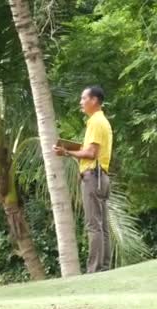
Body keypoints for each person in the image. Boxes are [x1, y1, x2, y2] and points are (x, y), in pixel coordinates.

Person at [53, 86, 113, 273]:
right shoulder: (103, 121)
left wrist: (66, 152)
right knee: (101, 226)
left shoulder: (95, 122)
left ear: (94, 100)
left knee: (93, 225)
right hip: (102, 176)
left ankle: (94, 269)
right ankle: (103, 267)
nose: (81, 102)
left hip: (92, 177)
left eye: (83, 98)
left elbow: (91, 152)